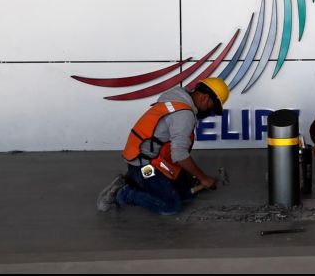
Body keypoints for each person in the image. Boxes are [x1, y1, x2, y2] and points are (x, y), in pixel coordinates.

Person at [96, 78, 230, 215]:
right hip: (144, 165)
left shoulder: (178, 98)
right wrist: (203, 178)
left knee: (188, 192)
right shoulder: (184, 115)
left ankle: (135, 180)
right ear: (204, 97)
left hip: (151, 157)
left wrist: (197, 178)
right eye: (211, 106)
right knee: (170, 206)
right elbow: (179, 155)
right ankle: (123, 192)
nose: (209, 111)